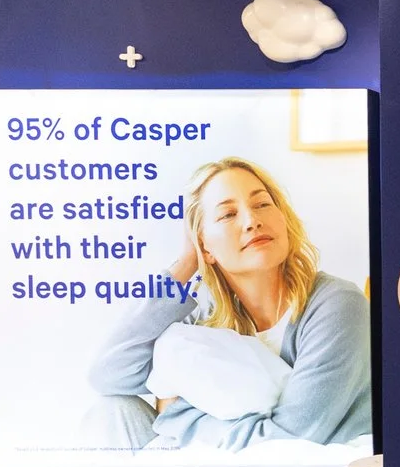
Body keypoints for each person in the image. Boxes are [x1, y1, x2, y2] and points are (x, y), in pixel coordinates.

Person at [87, 157, 370, 451]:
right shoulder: (203, 318)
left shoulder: (338, 305)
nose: (252, 221)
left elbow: (290, 442)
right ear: (205, 246)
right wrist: (185, 265)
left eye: (262, 204)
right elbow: (109, 375)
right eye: (227, 215)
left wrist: (176, 416)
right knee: (115, 409)